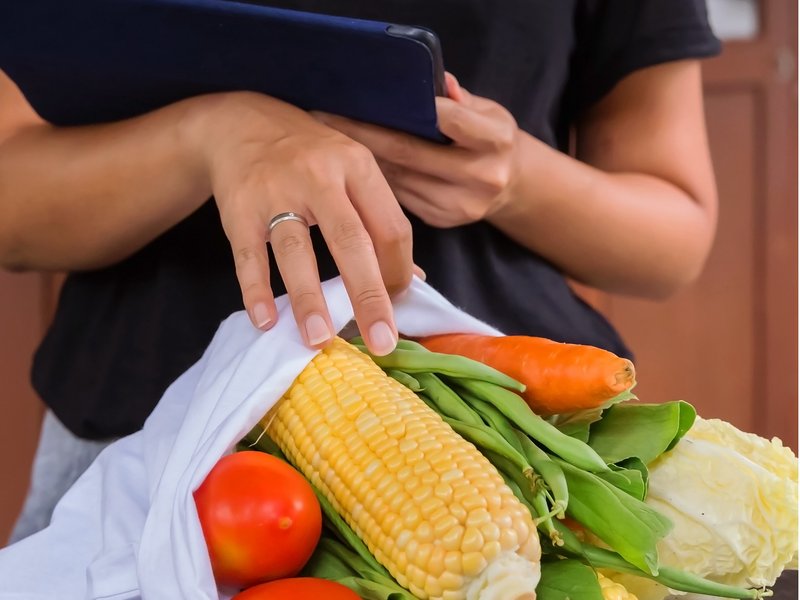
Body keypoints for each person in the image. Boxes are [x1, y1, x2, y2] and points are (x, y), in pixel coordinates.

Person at [0, 0, 719, 543]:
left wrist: (515, 179)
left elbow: (673, 240)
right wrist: (211, 137)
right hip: (135, 459)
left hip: (516, 463)